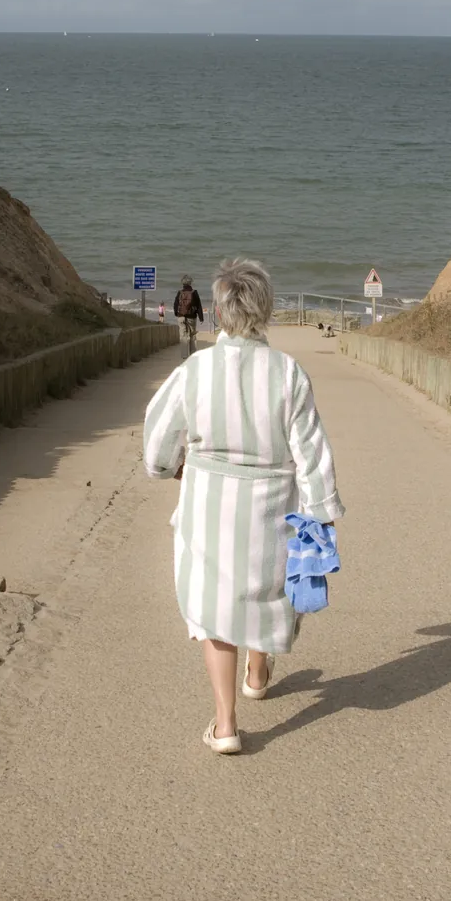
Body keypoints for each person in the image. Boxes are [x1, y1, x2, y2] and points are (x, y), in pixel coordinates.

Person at [142, 258, 344, 754]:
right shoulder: (288, 373)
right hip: (273, 504)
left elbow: (158, 445)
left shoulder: (196, 369)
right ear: (265, 310)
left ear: (216, 311)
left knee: (215, 608)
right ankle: (258, 671)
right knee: (262, 587)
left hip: (210, 501)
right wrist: (321, 512)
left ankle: (226, 723)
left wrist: (172, 468)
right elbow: (311, 449)